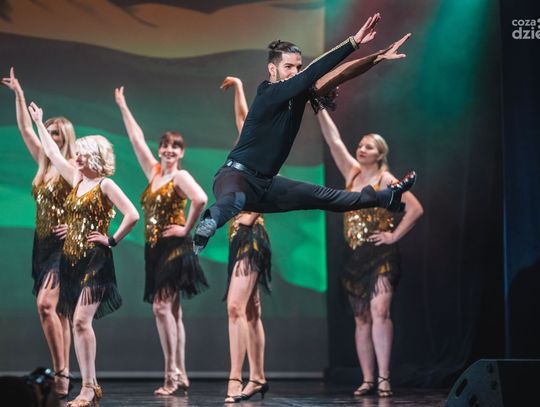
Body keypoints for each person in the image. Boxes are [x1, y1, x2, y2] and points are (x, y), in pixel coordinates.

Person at [193, 13, 416, 254]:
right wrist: (354, 42)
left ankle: (386, 198)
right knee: (236, 200)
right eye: (288, 67)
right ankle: (208, 224)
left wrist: (378, 57)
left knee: (326, 196)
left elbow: (340, 74)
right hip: (235, 177)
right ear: (272, 69)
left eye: (298, 67)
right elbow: (313, 72)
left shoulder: (299, 94)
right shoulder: (268, 93)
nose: (295, 72)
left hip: (266, 186)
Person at [28, 102, 139, 407]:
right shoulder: (77, 180)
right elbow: (52, 153)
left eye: (81, 154)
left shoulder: (105, 184)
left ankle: (88, 388)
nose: (75, 158)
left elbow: (132, 214)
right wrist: (38, 122)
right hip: (71, 261)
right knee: (77, 323)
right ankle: (90, 386)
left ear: (94, 157)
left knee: (79, 321)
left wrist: (111, 239)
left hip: (95, 262)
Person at [318, 109, 423, 397]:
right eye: (361, 145)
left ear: (380, 154)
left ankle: (384, 377)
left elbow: (415, 209)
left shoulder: (385, 179)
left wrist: (393, 235)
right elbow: (334, 141)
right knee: (361, 318)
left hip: (380, 255)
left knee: (380, 311)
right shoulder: (352, 173)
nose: (362, 149)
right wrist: (319, 108)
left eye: (369, 147)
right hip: (354, 258)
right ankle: (367, 379)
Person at [114, 86, 208, 395]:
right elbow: (136, 140)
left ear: (182, 153)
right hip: (154, 250)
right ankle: (181, 372)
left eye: (175, 147)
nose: (168, 150)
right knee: (173, 312)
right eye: (165, 145)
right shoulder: (155, 174)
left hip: (174, 249)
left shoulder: (179, 177)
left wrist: (185, 229)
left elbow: (200, 199)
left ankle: (171, 375)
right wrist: (123, 106)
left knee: (161, 308)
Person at [2, 68, 74, 398]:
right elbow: (24, 129)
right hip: (42, 244)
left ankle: (60, 373)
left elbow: (95, 202)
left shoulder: (70, 165)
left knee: (47, 305)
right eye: (49, 132)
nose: (50, 137)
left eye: (56, 133)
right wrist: (19, 94)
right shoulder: (43, 163)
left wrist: (76, 227)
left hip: (64, 246)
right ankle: (64, 376)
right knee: (58, 312)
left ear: (65, 138)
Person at [220, 77, 272, 402]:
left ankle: (234, 380)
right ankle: (258, 377)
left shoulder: (264, 155)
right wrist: (239, 87)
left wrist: (252, 215)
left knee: (235, 307)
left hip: (251, 235)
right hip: (237, 236)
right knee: (251, 311)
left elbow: (272, 188)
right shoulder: (244, 152)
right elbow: (242, 118)